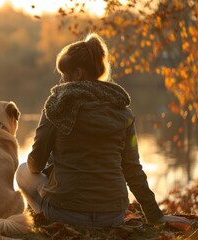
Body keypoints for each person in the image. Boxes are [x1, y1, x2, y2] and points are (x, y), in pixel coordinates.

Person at [16, 33, 190, 228]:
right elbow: (132, 169)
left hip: (66, 213)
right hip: (112, 214)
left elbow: (35, 165)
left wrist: (53, 160)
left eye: (64, 74)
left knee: (22, 171)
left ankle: (40, 219)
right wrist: (155, 215)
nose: (61, 81)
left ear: (78, 74)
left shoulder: (57, 106)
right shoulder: (123, 113)